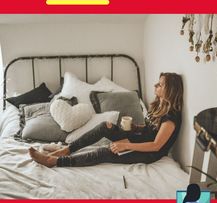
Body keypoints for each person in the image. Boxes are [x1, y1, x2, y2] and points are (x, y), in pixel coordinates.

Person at [29, 72, 183, 168]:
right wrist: (137, 128)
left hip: (147, 153)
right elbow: (151, 130)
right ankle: (65, 150)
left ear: (169, 90)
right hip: (138, 140)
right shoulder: (158, 106)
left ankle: (55, 162)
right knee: (105, 126)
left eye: (160, 84)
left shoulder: (171, 117)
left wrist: (124, 145)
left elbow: (156, 146)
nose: (156, 85)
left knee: (105, 152)